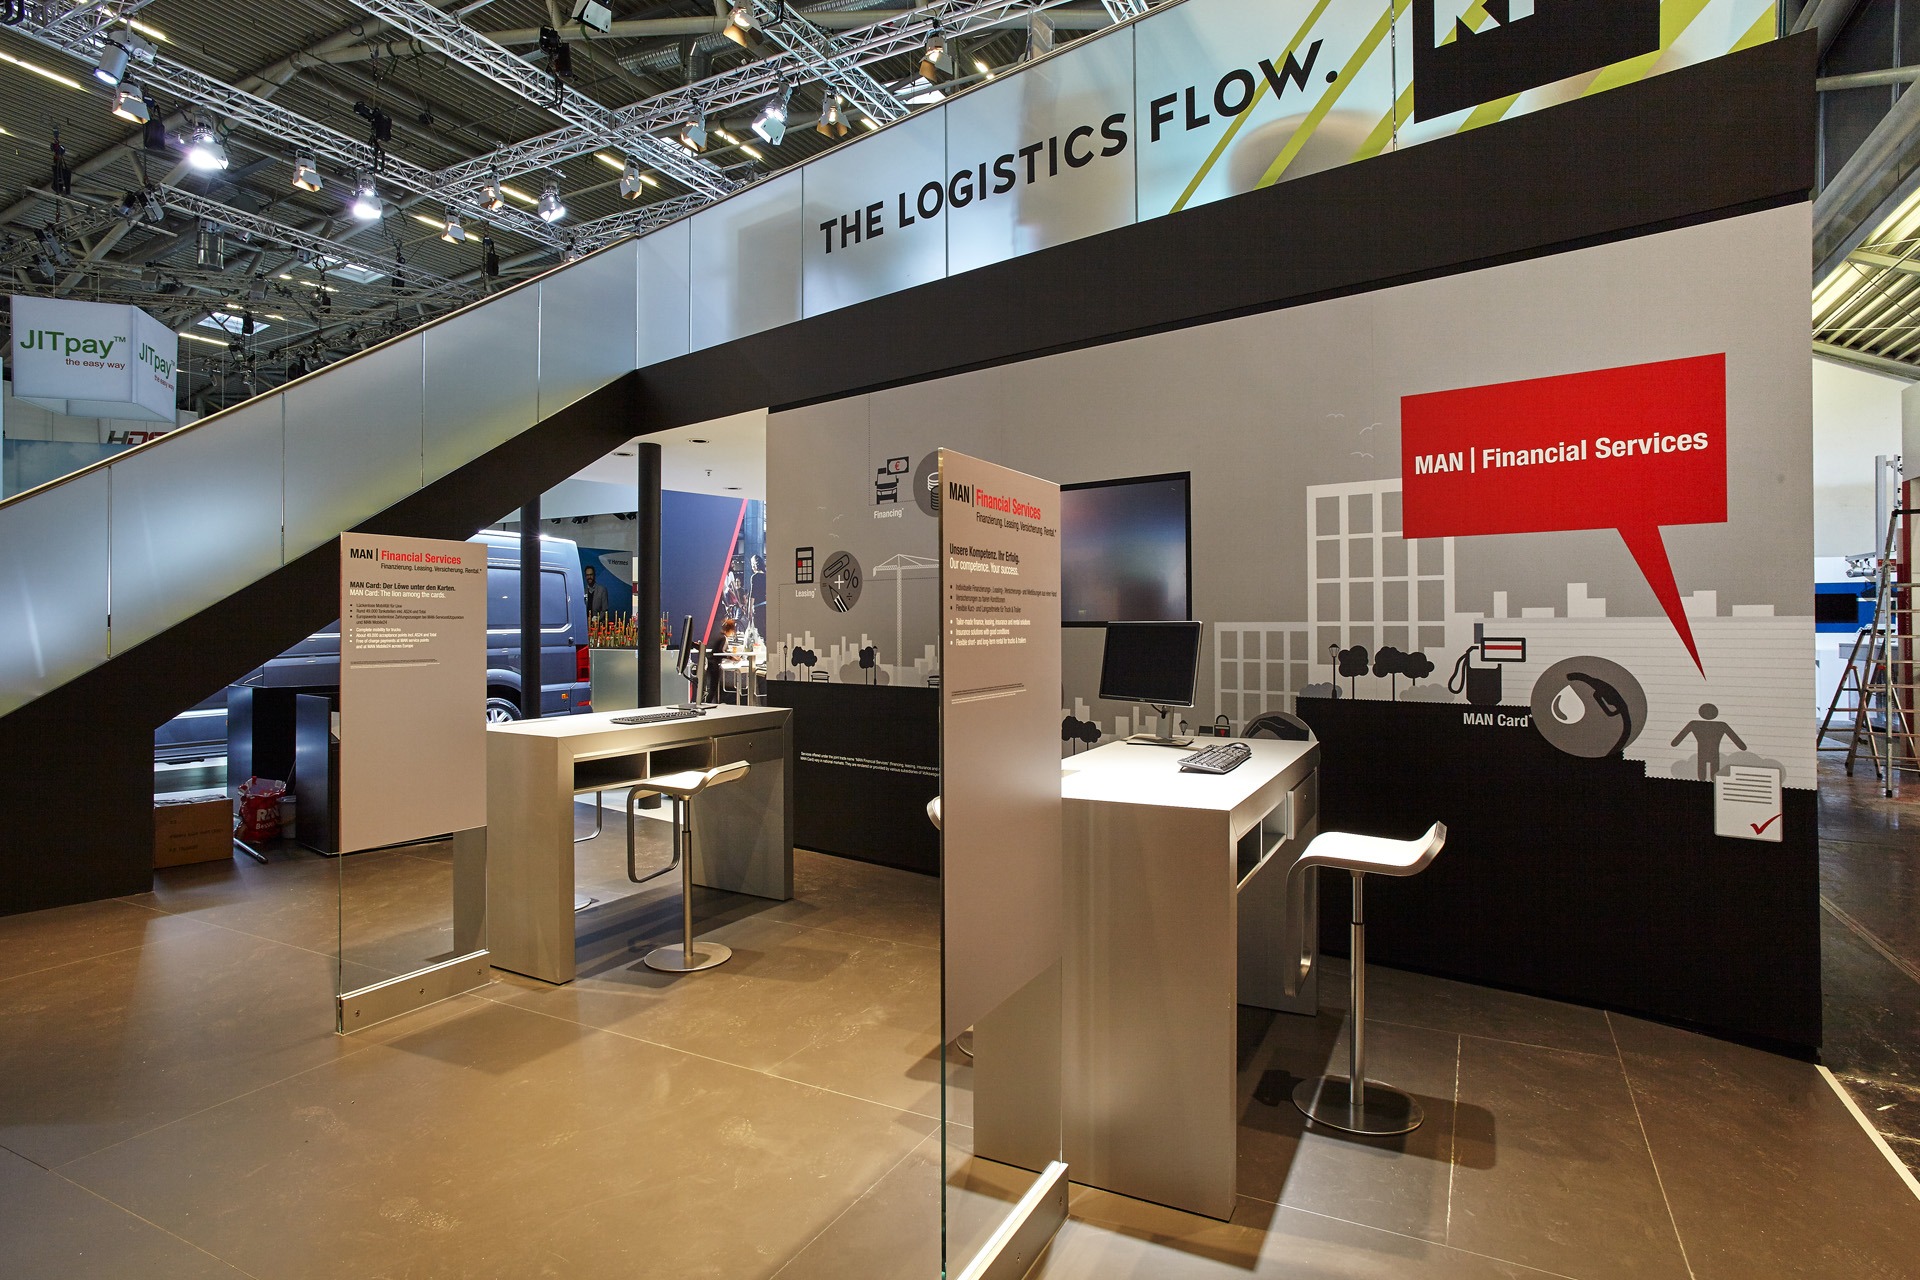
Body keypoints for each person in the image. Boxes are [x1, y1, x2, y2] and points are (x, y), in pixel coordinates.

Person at [1670, 703, 1746, 781]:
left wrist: (1675, 743)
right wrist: (1742, 747)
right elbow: (1737, 741)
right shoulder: (1722, 725)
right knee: (1713, 774)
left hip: (1702, 753)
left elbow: (1677, 741)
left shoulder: (1694, 724)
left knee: (1702, 774)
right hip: (1714, 753)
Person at [703, 617, 738, 703]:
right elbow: (720, 651)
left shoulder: (719, 637)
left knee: (713, 687)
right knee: (713, 687)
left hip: (711, 663)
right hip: (714, 664)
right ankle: (707, 703)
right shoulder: (723, 638)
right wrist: (731, 657)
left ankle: (708, 702)